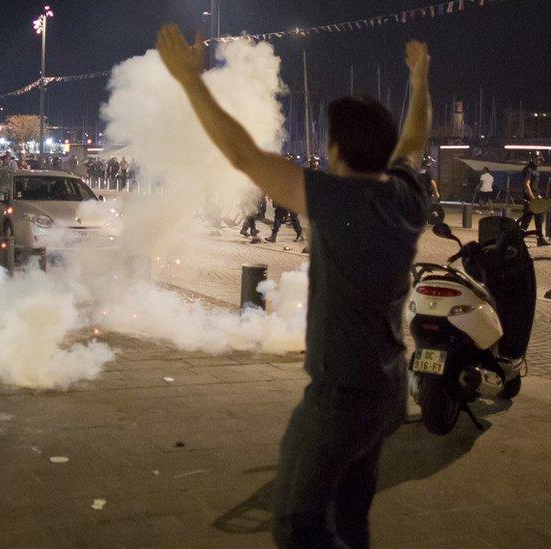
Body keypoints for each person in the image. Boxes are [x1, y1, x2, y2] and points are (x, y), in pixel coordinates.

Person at [158, 26, 431, 548]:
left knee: (298, 525)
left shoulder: (341, 200)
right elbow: (415, 142)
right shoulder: (406, 196)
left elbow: (245, 157)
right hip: (387, 388)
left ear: (335, 149)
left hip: (340, 398)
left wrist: (191, 81)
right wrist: (419, 83)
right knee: (352, 517)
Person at [520, 158, 550, 246]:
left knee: (539, 219)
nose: (538, 161)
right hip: (530, 199)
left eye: (540, 160)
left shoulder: (535, 170)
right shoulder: (528, 170)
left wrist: (538, 196)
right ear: (531, 159)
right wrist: (533, 198)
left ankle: (540, 239)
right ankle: (519, 240)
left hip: (535, 197)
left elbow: (534, 185)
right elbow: (526, 184)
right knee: (526, 220)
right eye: (536, 159)